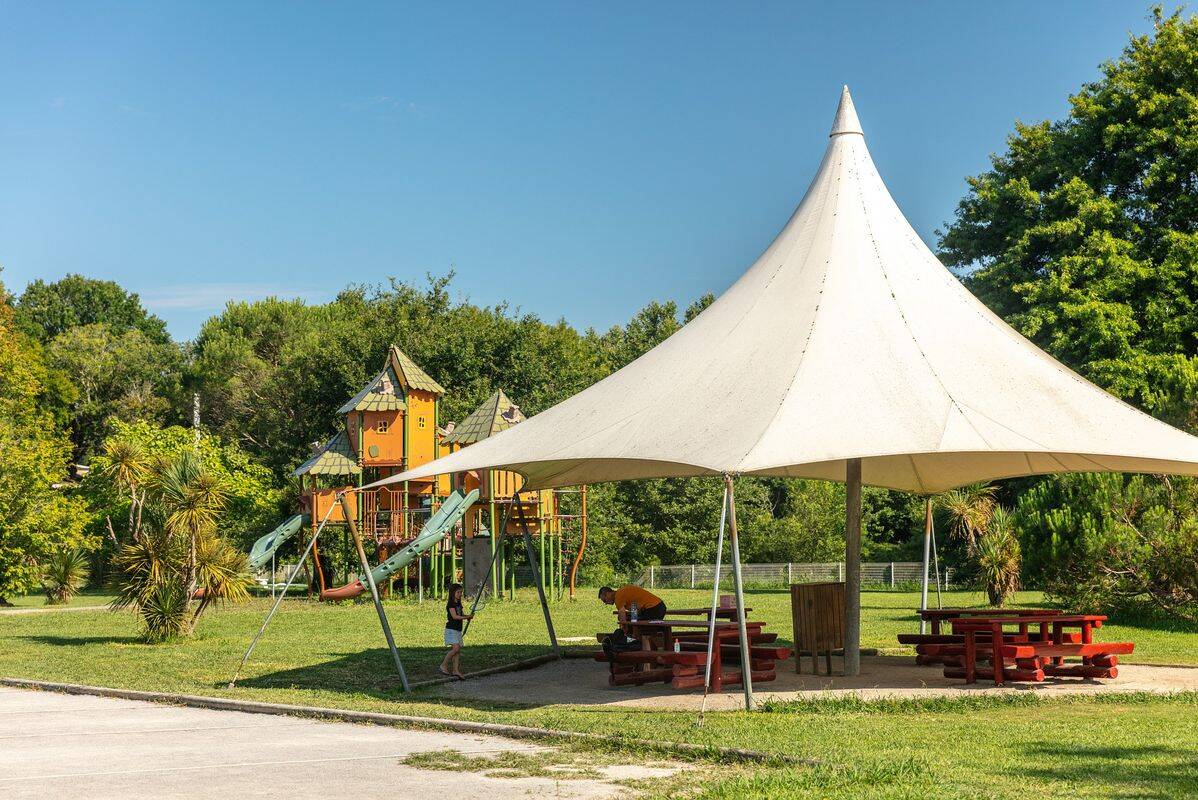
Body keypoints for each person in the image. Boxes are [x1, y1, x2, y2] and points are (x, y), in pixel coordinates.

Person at [439, 583, 472, 679]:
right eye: (458, 592)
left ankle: (455, 670)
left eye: (461, 592)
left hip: (458, 630)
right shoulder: (451, 604)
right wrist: (465, 618)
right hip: (451, 630)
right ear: (453, 593)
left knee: (457, 651)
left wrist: (467, 616)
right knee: (456, 648)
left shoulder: (458, 603)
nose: (460, 594)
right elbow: (455, 616)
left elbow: (461, 614)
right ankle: (443, 665)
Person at [598, 584, 667, 623]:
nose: (606, 603)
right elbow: (636, 609)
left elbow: (622, 617)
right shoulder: (621, 592)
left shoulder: (618, 596)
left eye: (604, 600)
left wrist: (623, 629)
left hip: (654, 608)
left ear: (607, 594)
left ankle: (636, 644)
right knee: (636, 624)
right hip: (658, 606)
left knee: (640, 628)